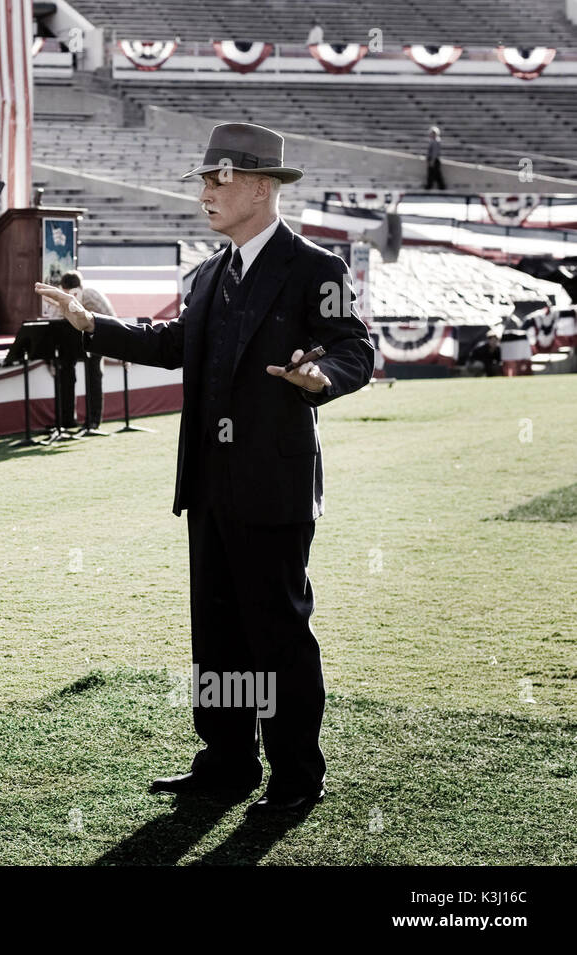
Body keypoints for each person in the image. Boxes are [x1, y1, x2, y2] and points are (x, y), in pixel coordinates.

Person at [38, 122, 374, 815]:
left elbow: (354, 348)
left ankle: (296, 776)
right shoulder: (208, 273)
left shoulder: (315, 269)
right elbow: (172, 345)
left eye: (217, 180)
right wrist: (90, 324)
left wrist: (323, 378)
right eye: (204, 181)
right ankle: (226, 761)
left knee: (278, 634)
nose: (204, 194)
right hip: (209, 486)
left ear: (260, 186)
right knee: (217, 635)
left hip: (274, 485)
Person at [57, 270, 111, 436]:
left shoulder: (92, 296)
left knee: (93, 376)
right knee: (65, 371)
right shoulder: (62, 297)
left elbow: (110, 318)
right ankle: (66, 419)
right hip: (72, 337)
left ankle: (93, 421)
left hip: (97, 336)